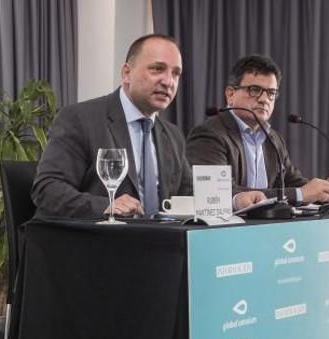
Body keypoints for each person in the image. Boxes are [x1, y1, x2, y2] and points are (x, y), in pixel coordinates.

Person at [31, 35, 264, 219]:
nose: (168, 81)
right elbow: (47, 189)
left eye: (176, 73)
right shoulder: (80, 119)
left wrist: (237, 200)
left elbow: (191, 192)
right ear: (126, 73)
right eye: (157, 69)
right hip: (94, 251)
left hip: (155, 248)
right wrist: (107, 206)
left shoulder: (171, 134)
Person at [186, 54, 329, 203]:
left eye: (271, 93)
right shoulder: (210, 134)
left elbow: (292, 182)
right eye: (254, 90)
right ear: (230, 94)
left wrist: (325, 193)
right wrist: (300, 194)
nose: (264, 99)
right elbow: (215, 193)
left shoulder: (273, 139)